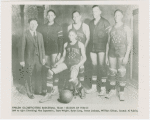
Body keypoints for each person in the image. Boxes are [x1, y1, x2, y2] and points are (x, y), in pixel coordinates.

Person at [39, 29, 86, 103]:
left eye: (72, 35)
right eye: (69, 35)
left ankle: (81, 88)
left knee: (72, 79)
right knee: (50, 72)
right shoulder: (66, 44)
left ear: (76, 36)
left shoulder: (80, 44)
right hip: (66, 63)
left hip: (75, 64)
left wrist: (78, 65)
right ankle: (48, 94)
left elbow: (84, 58)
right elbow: (63, 57)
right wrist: (57, 63)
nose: (70, 37)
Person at [105, 9, 132, 101]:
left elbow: (129, 43)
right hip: (112, 52)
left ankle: (121, 92)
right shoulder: (110, 29)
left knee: (121, 71)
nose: (117, 17)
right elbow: (108, 44)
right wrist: (106, 56)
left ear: (122, 16)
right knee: (112, 71)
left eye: (119, 15)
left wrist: (127, 55)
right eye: (115, 15)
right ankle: (112, 91)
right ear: (114, 17)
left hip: (122, 52)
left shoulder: (126, 28)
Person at [86, 5, 110, 94]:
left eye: (96, 11)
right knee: (93, 66)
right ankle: (94, 87)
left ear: (100, 12)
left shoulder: (105, 22)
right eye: (93, 11)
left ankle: (103, 88)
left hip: (102, 48)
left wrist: (107, 51)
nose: (94, 13)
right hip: (92, 48)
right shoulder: (91, 23)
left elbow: (109, 38)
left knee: (101, 66)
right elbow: (88, 37)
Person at [20, 18, 45, 99]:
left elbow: (42, 47)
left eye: (35, 24)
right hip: (29, 58)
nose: (33, 25)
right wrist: (22, 60)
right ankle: (29, 92)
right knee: (29, 75)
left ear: (37, 25)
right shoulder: (25, 34)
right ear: (29, 25)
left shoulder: (40, 35)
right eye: (31, 24)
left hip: (39, 58)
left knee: (38, 74)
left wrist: (43, 58)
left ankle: (38, 90)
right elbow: (22, 48)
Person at [41, 9, 63, 95]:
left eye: (51, 15)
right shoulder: (43, 27)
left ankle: (55, 87)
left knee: (54, 68)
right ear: (47, 16)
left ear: (54, 16)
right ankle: (48, 87)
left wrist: (59, 53)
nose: (50, 17)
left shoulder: (58, 27)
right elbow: (41, 40)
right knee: (47, 69)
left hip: (55, 51)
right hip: (46, 51)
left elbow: (61, 41)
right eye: (48, 15)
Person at [68, 11, 90, 81]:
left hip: (82, 50)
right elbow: (69, 40)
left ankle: (81, 84)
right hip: (73, 51)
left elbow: (88, 38)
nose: (75, 18)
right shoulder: (69, 27)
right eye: (74, 16)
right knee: (72, 66)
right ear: (72, 18)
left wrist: (83, 49)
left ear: (80, 16)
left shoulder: (85, 26)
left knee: (81, 66)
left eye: (77, 16)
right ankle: (74, 84)